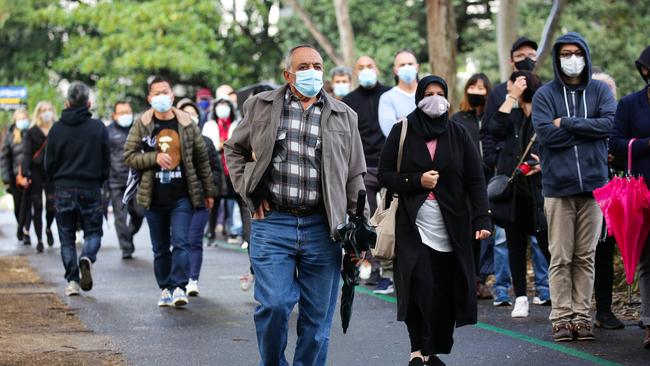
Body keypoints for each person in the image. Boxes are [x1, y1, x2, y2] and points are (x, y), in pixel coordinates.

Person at [224, 44, 367, 366]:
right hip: (273, 222)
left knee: (317, 325)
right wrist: (247, 191)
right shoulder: (260, 106)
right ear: (287, 74)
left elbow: (355, 175)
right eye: (303, 67)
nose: (312, 73)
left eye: (317, 66)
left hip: (323, 228)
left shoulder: (345, 116)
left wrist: (359, 230)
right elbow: (233, 149)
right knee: (274, 306)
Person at [379, 75, 491, 366]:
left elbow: (475, 180)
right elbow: (385, 175)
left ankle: (433, 350)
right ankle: (417, 349)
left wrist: (482, 219)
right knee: (419, 286)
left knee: (445, 289)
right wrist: (417, 180)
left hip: (453, 226)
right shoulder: (401, 130)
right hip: (412, 225)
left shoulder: (459, 133)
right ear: (418, 97)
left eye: (440, 93)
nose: (435, 98)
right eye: (428, 93)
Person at [532, 32, 616, 342]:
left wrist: (565, 122)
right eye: (565, 53)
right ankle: (561, 319)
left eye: (576, 52)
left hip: (595, 188)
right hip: (558, 188)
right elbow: (545, 135)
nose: (571, 59)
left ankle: (582, 317)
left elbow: (608, 125)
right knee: (560, 256)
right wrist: (586, 128)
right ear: (557, 58)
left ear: (585, 55)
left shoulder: (600, 91)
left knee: (586, 256)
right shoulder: (544, 95)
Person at [123, 76, 216, 308]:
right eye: (156, 93)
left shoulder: (186, 123)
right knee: (160, 247)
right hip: (153, 196)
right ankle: (164, 287)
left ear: (172, 96)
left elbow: (201, 159)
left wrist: (208, 191)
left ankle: (180, 287)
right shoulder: (142, 124)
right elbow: (129, 156)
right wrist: (154, 158)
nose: (161, 97)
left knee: (182, 242)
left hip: (182, 195)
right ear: (149, 98)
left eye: (165, 92)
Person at [481, 36, 550, 307]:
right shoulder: (505, 100)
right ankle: (518, 295)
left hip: (540, 186)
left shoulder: (544, 102)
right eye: (521, 54)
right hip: (513, 184)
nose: (527, 58)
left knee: (544, 241)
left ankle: (549, 292)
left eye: (531, 53)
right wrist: (511, 97)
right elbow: (493, 128)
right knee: (512, 240)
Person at [44, 81, 110, 296]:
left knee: (66, 236)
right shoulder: (98, 128)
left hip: (64, 187)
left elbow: (49, 163)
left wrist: (55, 180)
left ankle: (72, 280)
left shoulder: (57, 129)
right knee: (93, 232)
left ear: (67, 102)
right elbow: (106, 159)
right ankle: (87, 257)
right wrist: (101, 179)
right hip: (90, 186)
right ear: (88, 103)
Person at [609, 45, 650, 348]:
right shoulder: (630, 104)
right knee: (647, 260)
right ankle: (649, 322)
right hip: (641, 194)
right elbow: (617, 144)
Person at [450, 73, 494, 300]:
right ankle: (468, 279)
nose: (477, 91)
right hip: (466, 183)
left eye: (482, 87)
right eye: (473, 87)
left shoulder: (492, 117)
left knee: (488, 233)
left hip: (492, 180)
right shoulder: (458, 119)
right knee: (468, 231)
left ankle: (482, 278)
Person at [590, 70, 625, 330]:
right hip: (581, 194)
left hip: (613, 195)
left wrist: (617, 156)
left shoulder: (618, 122)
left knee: (604, 252)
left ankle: (604, 310)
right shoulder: (581, 118)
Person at [107, 101, 144, 260]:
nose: (125, 115)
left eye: (127, 112)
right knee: (120, 216)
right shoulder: (107, 132)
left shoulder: (138, 130)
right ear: (114, 115)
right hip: (115, 180)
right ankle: (126, 247)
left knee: (139, 213)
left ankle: (129, 234)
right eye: (121, 112)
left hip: (136, 179)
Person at [202, 96, 240, 242]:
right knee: (215, 201)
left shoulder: (236, 124)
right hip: (216, 168)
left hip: (232, 169)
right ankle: (210, 231)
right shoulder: (210, 125)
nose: (223, 108)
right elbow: (208, 145)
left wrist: (224, 144)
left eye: (226, 105)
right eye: (220, 105)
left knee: (236, 202)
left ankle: (234, 231)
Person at [22, 100, 57, 252]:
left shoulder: (57, 130)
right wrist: (26, 173)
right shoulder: (31, 132)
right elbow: (27, 154)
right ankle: (39, 239)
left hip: (52, 172)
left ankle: (48, 227)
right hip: (35, 172)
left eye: (49, 109)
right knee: (37, 206)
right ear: (39, 113)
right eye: (44, 110)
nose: (47, 112)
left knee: (52, 206)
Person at [1, 109, 30, 242]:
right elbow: (5, 158)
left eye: (25, 118)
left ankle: (26, 231)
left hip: (29, 176)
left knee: (29, 205)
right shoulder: (10, 136)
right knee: (18, 206)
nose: (23, 121)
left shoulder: (31, 133)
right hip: (15, 178)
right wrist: (6, 177)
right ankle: (21, 225)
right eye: (20, 118)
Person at [378, 49, 419, 137]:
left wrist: (403, 122)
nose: (407, 67)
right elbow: (391, 132)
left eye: (410, 64)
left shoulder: (428, 94)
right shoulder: (387, 98)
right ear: (395, 70)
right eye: (402, 65)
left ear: (417, 67)